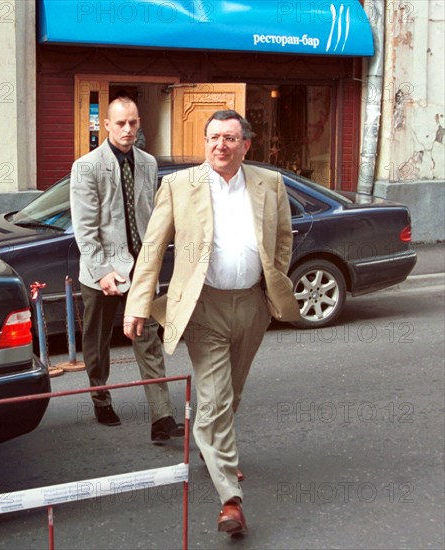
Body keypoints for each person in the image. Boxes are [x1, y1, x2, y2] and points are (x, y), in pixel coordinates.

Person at [123, 110, 300, 535]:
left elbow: (283, 238)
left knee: (230, 394)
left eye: (230, 138)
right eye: (214, 137)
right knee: (215, 397)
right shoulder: (179, 186)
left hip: (253, 306)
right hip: (204, 308)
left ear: (246, 145)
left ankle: (213, 446)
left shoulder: (269, 184)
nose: (221, 145)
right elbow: (151, 248)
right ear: (206, 142)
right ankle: (230, 501)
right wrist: (137, 304)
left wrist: (273, 279)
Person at [70, 96, 184, 443]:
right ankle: (100, 397)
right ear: (107, 125)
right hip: (100, 273)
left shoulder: (148, 164)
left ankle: (161, 418)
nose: (128, 129)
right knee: (97, 342)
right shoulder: (87, 167)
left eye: (133, 122)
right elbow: (85, 229)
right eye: (120, 123)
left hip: (140, 271)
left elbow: (151, 217)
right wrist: (103, 271)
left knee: (147, 339)